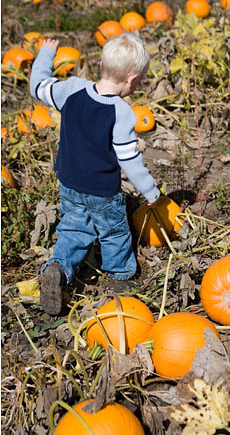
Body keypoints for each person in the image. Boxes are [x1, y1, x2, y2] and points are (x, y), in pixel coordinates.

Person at [30, 32, 160, 315]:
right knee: (114, 231)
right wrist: (150, 191)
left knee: (73, 228)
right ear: (133, 80)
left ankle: (58, 268)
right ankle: (120, 277)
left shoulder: (72, 89)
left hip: (69, 181)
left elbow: (37, 86)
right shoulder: (122, 112)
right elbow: (130, 159)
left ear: (100, 62)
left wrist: (46, 54)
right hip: (102, 190)